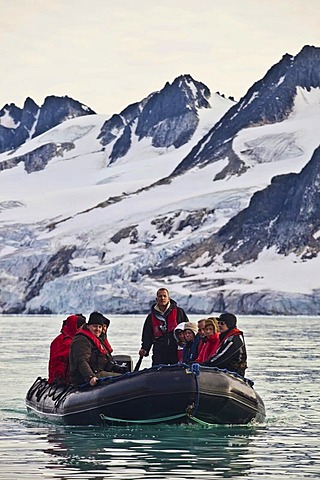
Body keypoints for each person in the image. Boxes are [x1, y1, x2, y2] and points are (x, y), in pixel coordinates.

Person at [69, 311, 126, 387]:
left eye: (100, 327)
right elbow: (81, 361)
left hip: (99, 372)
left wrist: (118, 368)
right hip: (87, 377)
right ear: (88, 326)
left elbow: (104, 361)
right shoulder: (81, 340)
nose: (97, 329)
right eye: (95, 326)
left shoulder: (97, 339)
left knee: (125, 375)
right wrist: (91, 377)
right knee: (123, 379)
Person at [138, 287, 189, 366]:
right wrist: (145, 349)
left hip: (175, 348)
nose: (162, 298)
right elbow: (147, 335)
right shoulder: (151, 316)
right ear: (156, 299)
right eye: (160, 296)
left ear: (169, 298)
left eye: (164, 296)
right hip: (159, 349)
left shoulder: (179, 312)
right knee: (157, 371)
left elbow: (187, 328)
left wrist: (188, 344)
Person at [48, 314, 86, 385]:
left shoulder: (73, 339)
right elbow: (57, 360)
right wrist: (60, 377)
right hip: (63, 379)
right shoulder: (65, 341)